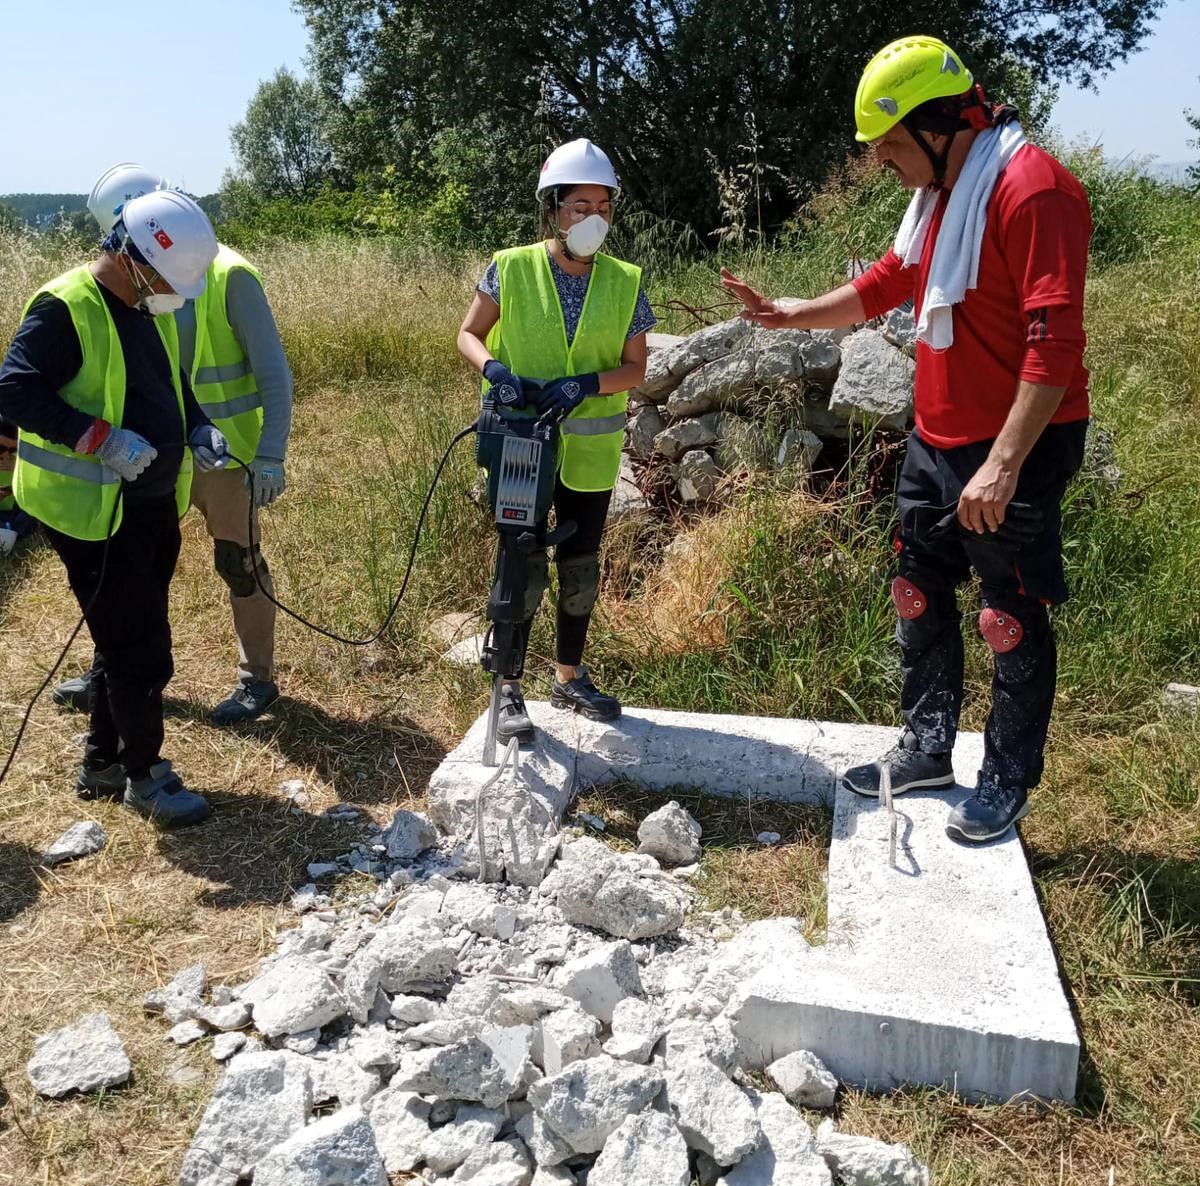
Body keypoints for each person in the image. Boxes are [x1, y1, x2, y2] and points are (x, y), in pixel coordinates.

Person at [722, 35, 1091, 843]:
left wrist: (1002, 464)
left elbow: (1055, 342)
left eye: (888, 143)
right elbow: (890, 281)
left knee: (1009, 612)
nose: (880, 160)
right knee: (916, 592)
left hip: (1014, 448)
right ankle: (927, 747)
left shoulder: (1031, 190)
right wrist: (790, 313)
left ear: (936, 125)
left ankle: (1006, 777)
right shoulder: (938, 198)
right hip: (940, 434)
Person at [0, 189, 226, 825]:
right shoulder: (64, 308)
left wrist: (200, 425)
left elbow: (168, 386)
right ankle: (144, 774)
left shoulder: (139, 306)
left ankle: (102, 760)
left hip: (147, 503)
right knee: (140, 647)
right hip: (92, 512)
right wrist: (96, 438)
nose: (173, 292)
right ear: (132, 257)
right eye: (167, 278)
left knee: (123, 631)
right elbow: (13, 391)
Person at [54, 163, 294, 725]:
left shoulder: (230, 275)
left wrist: (269, 456)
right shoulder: (121, 280)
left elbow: (274, 375)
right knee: (127, 569)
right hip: (148, 454)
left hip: (222, 458)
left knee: (239, 562)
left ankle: (257, 680)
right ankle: (109, 676)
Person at [457, 138, 656, 742]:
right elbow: (470, 335)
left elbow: (636, 368)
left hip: (590, 451)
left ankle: (569, 675)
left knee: (579, 566)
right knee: (518, 560)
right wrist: (494, 371)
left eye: (602, 207)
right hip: (520, 441)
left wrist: (586, 384)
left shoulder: (625, 281)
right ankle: (509, 687)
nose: (591, 218)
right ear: (553, 211)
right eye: (578, 206)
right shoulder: (511, 267)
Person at [0, 415, 38, 555]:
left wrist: (19, 466)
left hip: (19, 511)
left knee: (29, 514)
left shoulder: (24, 457)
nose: (6, 456)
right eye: (1, 448)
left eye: (12, 450)